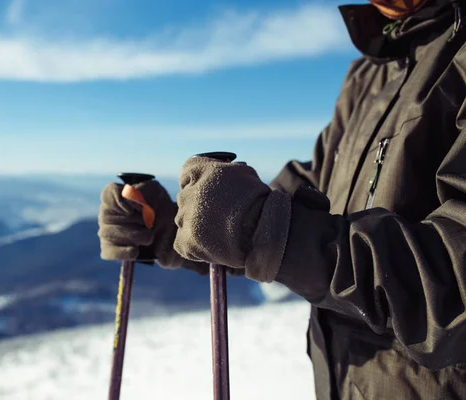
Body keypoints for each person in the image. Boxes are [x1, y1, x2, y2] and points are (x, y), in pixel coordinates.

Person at [98, 0, 466, 398]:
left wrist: (263, 228)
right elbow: (294, 206)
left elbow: (455, 286)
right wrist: (169, 227)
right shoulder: (369, 72)